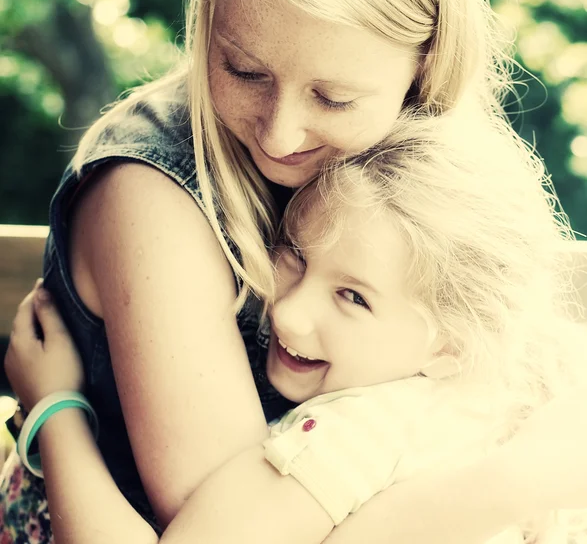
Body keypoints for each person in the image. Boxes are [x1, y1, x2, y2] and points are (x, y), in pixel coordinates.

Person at [0, 0, 573, 541]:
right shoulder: (150, 197)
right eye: (244, 71)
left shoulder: (430, 191)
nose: (279, 135)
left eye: (334, 98)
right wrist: (517, 482)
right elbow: (231, 530)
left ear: (424, 71)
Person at [5, 114, 587, 544]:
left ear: (453, 344)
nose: (286, 313)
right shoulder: (529, 386)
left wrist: (56, 410)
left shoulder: (352, 435)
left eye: (352, 297)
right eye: (295, 255)